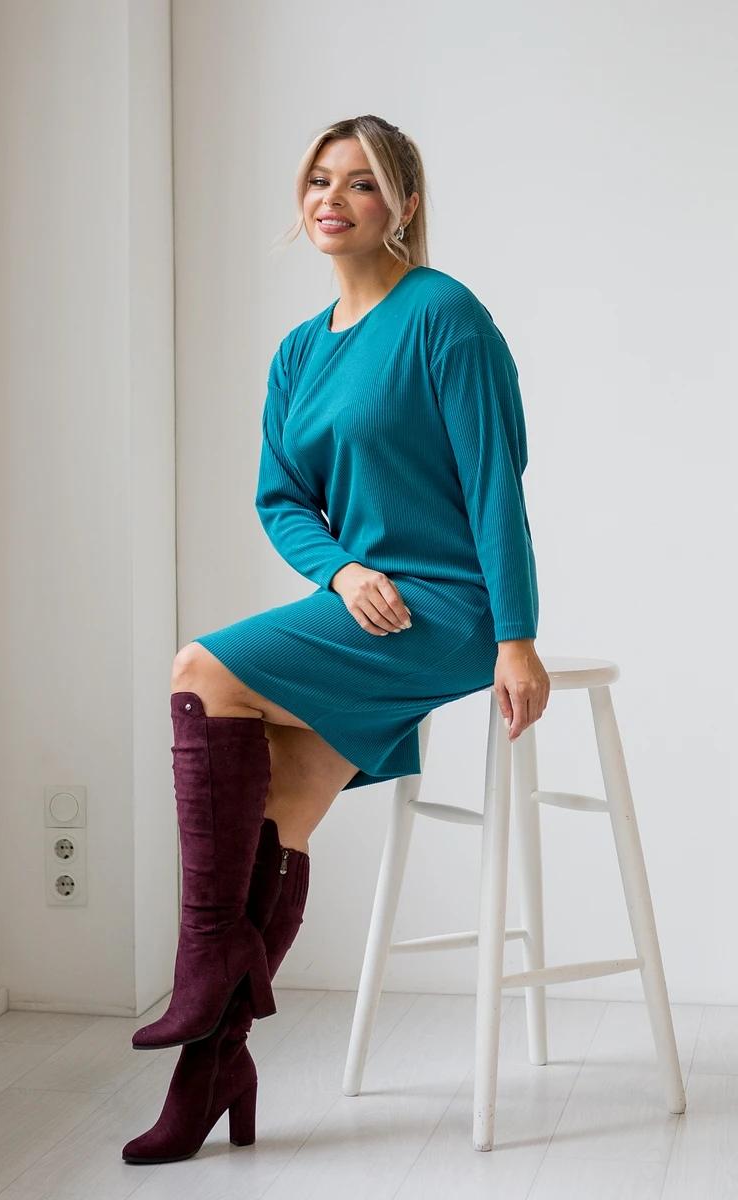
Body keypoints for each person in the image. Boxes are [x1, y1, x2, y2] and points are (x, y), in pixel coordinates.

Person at [122, 114, 551, 1164]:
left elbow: (496, 485)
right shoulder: (298, 353)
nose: (332, 198)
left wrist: (517, 637)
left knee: (199, 669)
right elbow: (282, 500)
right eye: (319, 179)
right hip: (365, 605)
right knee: (279, 808)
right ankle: (212, 1072)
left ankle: (204, 959)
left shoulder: (444, 316)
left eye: (360, 183)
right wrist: (344, 571)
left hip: (449, 608)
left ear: (402, 204)